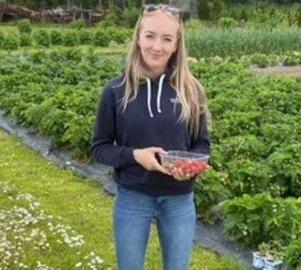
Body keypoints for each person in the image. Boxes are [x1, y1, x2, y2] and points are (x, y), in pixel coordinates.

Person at [91, 4, 210, 270]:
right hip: (133, 198)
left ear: (177, 44)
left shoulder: (191, 91)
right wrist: (135, 156)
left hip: (179, 200)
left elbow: (201, 143)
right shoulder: (115, 91)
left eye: (167, 39)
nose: (157, 46)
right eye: (150, 36)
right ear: (138, 38)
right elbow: (99, 148)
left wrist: (190, 168)